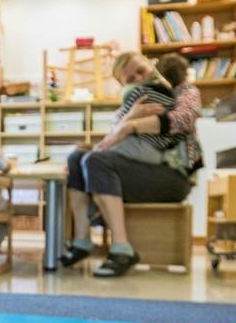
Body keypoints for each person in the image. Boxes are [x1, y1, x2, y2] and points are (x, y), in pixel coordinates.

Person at [61, 51, 202, 277]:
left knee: (96, 160)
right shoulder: (130, 101)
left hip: (173, 174)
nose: (138, 78)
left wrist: (132, 125)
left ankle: (121, 247)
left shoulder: (183, 90)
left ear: (151, 65)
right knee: (77, 157)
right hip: (140, 168)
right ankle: (81, 239)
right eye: (129, 78)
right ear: (122, 85)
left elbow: (184, 119)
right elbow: (114, 136)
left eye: (141, 71)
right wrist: (131, 116)